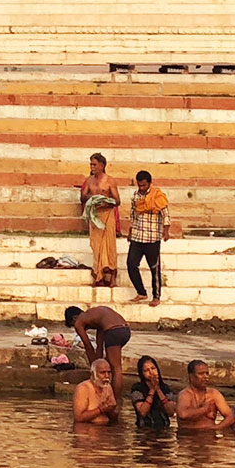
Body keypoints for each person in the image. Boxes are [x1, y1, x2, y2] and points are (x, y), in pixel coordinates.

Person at [126, 171, 170, 307]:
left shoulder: (158, 196)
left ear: (149, 183)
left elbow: (165, 214)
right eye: (139, 185)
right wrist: (130, 231)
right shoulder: (135, 196)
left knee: (154, 268)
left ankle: (156, 296)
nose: (142, 188)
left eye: (144, 185)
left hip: (152, 238)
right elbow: (133, 214)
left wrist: (166, 230)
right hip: (137, 236)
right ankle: (141, 292)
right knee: (131, 264)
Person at [79, 153, 120, 288]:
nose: (92, 167)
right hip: (94, 216)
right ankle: (98, 276)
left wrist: (104, 200)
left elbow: (117, 201)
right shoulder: (89, 181)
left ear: (102, 166)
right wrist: (93, 198)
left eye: (94, 164)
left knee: (109, 247)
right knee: (96, 247)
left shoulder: (110, 181)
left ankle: (112, 277)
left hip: (107, 216)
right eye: (91, 164)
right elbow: (83, 197)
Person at [66, 304, 132, 384]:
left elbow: (88, 347)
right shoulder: (96, 316)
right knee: (110, 364)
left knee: (116, 368)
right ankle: (107, 388)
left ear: (74, 318)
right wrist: (97, 365)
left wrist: (93, 368)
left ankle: (115, 396)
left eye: (73, 325)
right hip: (126, 330)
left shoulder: (79, 321)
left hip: (114, 331)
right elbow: (99, 347)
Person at [176, 360, 235, 432]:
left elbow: (231, 417)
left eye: (207, 373)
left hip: (209, 438)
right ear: (191, 376)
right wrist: (204, 410)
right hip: (188, 439)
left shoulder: (214, 394)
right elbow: (183, 414)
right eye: (201, 374)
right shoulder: (185, 394)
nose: (205, 377)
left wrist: (216, 428)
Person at [131, 355, 175, 431]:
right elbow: (142, 412)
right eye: (146, 370)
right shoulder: (137, 388)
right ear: (141, 373)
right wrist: (152, 390)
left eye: (153, 368)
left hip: (164, 429)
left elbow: (171, 412)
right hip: (144, 430)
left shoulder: (165, 388)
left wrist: (158, 389)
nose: (151, 372)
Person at [73, 358, 122, 425]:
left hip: (106, 430)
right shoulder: (83, 388)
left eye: (109, 372)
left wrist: (111, 409)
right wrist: (101, 409)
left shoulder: (108, 387)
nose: (107, 376)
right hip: (87, 431)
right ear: (93, 374)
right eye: (102, 372)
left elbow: (113, 418)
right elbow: (78, 418)